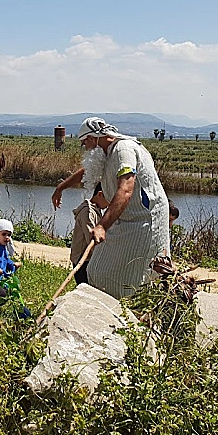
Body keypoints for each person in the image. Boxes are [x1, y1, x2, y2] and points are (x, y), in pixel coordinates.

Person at [73, 117, 170, 299]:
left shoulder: (123, 149)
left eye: (84, 142)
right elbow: (85, 172)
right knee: (97, 267)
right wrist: (61, 187)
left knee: (136, 271)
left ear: (93, 138)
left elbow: (126, 189)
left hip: (144, 221)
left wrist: (102, 225)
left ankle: (132, 309)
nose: (85, 148)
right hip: (125, 219)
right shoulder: (108, 154)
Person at [70, 182, 109, 285]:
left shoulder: (97, 210)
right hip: (82, 260)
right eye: (108, 199)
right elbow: (91, 238)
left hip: (89, 259)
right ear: (100, 195)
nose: (109, 203)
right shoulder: (87, 212)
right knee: (84, 286)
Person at [0, 219, 22, 311]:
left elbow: (6, 260)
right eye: (4, 234)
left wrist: (13, 264)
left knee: (9, 290)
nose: (7, 237)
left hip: (1, 277)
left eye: (9, 235)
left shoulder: (3, 248)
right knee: (1, 293)